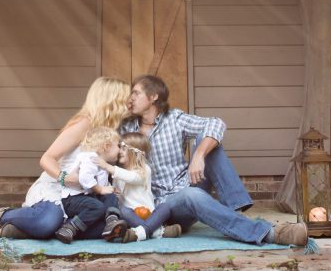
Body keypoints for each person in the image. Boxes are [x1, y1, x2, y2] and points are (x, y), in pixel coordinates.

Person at [121, 74, 309, 246]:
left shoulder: (174, 119)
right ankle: (269, 233)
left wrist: (198, 155)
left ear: (153, 96)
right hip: (162, 208)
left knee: (208, 140)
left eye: (136, 93)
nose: (132, 98)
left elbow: (216, 123)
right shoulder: (125, 128)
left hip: (188, 184)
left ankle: (234, 207)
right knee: (190, 195)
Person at [0, 76, 131, 240]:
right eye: (125, 98)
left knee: (108, 226)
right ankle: (1, 216)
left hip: (83, 195)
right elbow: (47, 158)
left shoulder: (109, 130)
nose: (129, 102)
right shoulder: (84, 125)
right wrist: (65, 178)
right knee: (48, 221)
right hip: (57, 189)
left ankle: (25, 230)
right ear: (112, 101)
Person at [93, 131, 181, 242]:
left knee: (165, 207)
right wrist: (114, 191)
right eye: (119, 147)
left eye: (124, 148)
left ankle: (140, 233)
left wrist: (107, 166)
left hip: (149, 215)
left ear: (137, 153)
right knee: (122, 210)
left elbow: (132, 178)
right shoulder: (118, 174)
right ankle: (156, 232)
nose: (120, 151)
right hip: (129, 216)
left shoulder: (144, 170)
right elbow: (118, 193)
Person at [52, 126, 126, 243]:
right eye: (118, 146)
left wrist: (108, 189)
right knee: (98, 207)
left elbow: (101, 186)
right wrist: (101, 190)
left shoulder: (102, 163)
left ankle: (111, 222)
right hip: (73, 199)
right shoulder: (90, 157)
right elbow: (84, 178)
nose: (120, 150)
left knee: (110, 196)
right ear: (107, 146)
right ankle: (70, 227)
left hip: (88, 197)